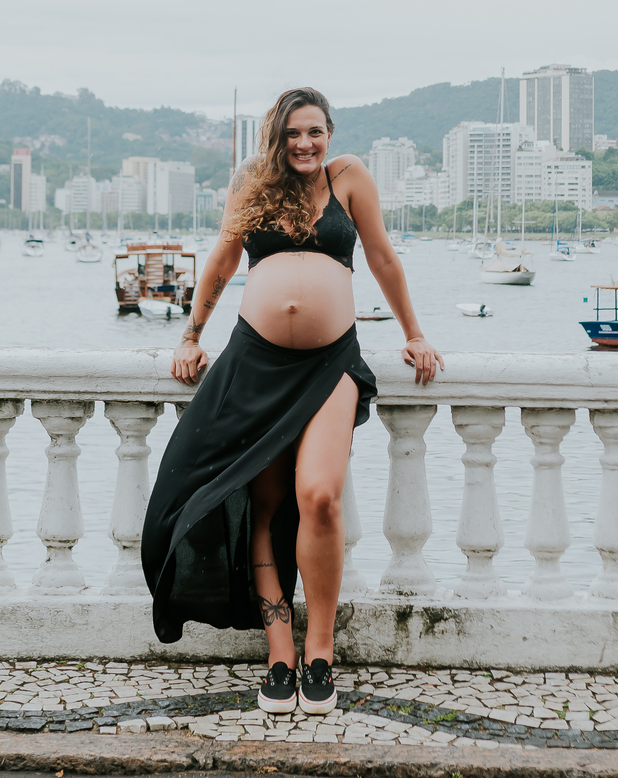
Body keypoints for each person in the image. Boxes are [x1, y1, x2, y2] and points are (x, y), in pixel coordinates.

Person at [141, 86, 443, 716]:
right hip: (256, 364)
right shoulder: (251, 180)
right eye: (292, 134)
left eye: (314, 132)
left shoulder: (349, 177)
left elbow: (382, 259)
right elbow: (224, 261)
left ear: (330, 132)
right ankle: (280, 652)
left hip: (331, 364)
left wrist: (414, 334)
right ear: (275, 137)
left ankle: (321, 652)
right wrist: (191, 336)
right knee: (265, 506)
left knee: (320, 496)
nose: (304, 144)